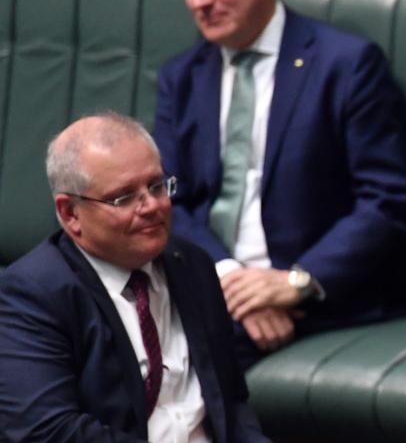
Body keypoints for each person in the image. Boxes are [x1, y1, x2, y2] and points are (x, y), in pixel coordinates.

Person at [152, 0, 406, 368]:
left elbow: (385, 201)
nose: (199, 1)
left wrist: (294, 282)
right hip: (213, 281)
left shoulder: (345, 65)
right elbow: (166, 196)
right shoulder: (184, 77)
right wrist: (231, 281)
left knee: (171, 355)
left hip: (310, 292)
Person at [0, 113, 269, 442]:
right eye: (124, 197)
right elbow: (48, 431)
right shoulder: (31, 295)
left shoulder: (193, 265)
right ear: (71, 213)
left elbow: (232, 403)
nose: (153, 205)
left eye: (157, 185)